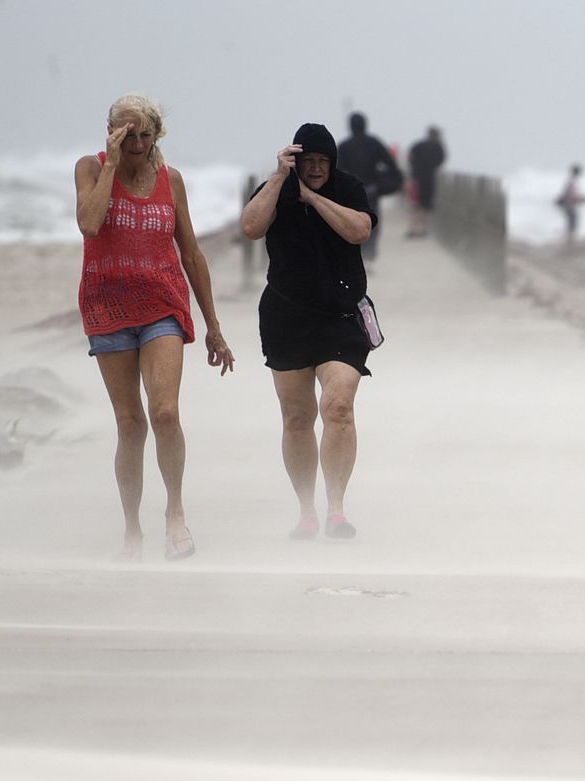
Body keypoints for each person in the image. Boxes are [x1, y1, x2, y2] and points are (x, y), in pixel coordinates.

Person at [74, 94, 235, 562]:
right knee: (130, 424)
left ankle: (176, 514)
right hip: (107, 308)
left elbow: (191, 254)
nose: (137, 144)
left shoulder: (172, 180)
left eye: (145, 134)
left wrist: (214, 327)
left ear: (157, 134)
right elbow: (89, 223)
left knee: (165, 413)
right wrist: (109, 165)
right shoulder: (89, 168)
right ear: (111, 132)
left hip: (163, 305)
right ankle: (131, 529)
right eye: (127, 135)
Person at [240, 123, 375, 540]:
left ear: (332, 163)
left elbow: (359, 230)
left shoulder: (348, 188)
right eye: (308, 161)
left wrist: (313, 198)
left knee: (338, 408)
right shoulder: (274, 188)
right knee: (298, 417)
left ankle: (336, 508)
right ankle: (306, 510)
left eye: (322, 161)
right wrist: (281, 178)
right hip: (287, 316)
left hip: (340, 316)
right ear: (295, 160)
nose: (316, 168)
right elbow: (250, 227)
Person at [336, 112, 402, 265]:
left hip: (351, 191)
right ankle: (369, 257)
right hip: (372, 190)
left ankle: (356, 255)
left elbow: (337, 170)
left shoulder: (345, 146)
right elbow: (391, 164)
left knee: (351, 222)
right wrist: (383, 178)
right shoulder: (374, 143)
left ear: (350, 126)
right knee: (372, 222)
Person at [406, 126, 447, 238]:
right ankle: (423, 230)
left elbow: (410, 157)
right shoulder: (439, 147)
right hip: (429, 179)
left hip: (416, 178)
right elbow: (441, 161)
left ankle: (413, 229)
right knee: (426, 206)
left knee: (414, 205)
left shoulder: (418, 145)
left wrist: (415, 166)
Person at [555, 163, 585, 247]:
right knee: (572, 224)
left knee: (570, 224)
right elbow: (571, 196)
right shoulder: (572, 182)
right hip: (570, 206)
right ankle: (569, 243)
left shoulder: (570, 181)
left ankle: (568, 241)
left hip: (568, 206)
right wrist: (581, 199)